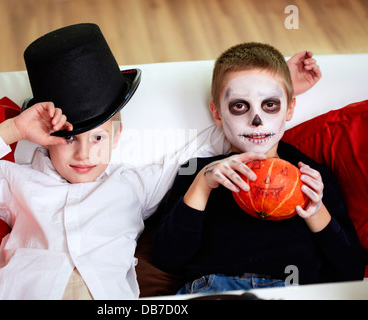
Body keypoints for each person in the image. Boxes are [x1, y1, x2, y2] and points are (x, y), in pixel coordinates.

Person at [0, 22, 322, 299]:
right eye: (68, 139)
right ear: (45, 139)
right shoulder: (16, 181)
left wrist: (273, 86)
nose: (85, 153)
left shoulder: (136, 183)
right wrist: (14, 130)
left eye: (98, 137)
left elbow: (221, 139)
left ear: (117, 135)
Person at [153, 42, 365, 295]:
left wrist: (316, 212)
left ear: (290, 109)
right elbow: (167, 258)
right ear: (217, 114)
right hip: (215, 290)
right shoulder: (198, 172)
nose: (257, 120)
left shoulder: (311, 176)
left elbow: (351, 270)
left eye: (270, 105)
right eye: (240, 106)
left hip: (294, 291)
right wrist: (202, 185)